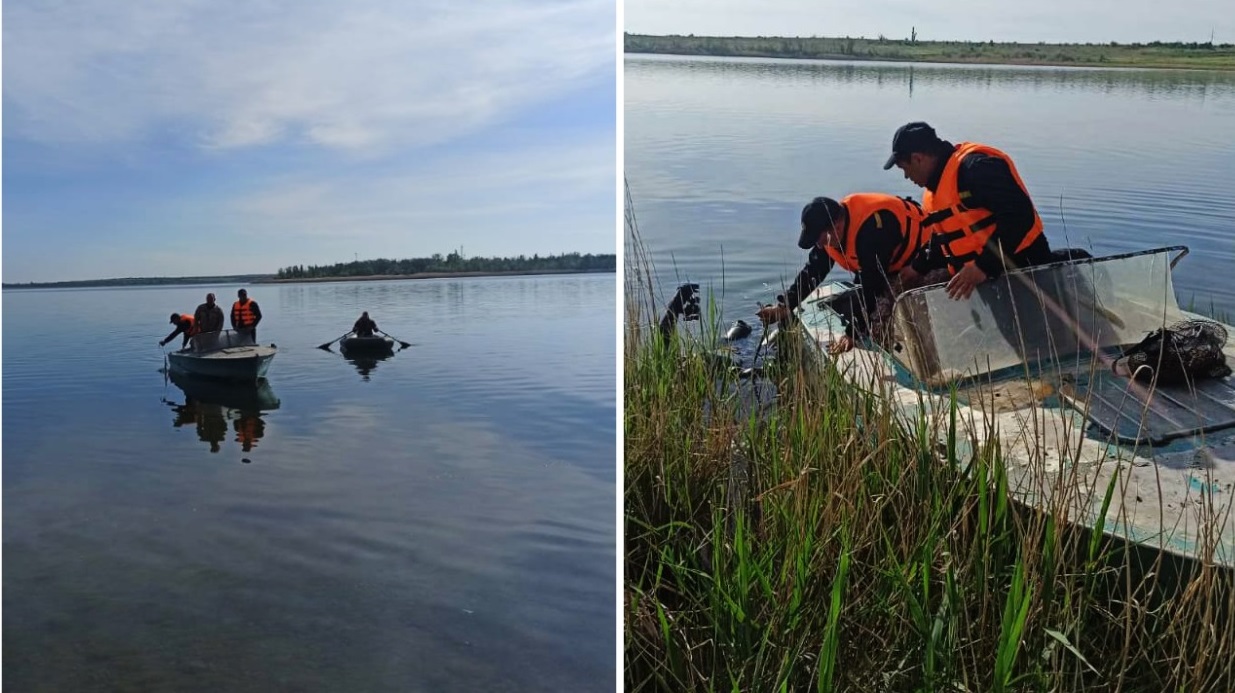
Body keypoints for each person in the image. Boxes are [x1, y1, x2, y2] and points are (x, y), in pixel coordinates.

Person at [883, 121, 1054, 301]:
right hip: (987, 283)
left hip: (1027, 274)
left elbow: (1019, 216)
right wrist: (918, 267)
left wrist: (983, 266)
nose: (906, 176)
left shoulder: (976, 168)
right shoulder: (936, 188)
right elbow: (949, 236)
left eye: (905, 168)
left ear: (918, 158)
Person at [756, 193, 929, 354]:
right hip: (889, 265)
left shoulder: (871, 230)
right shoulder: (829, 236)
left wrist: (852, 333)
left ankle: (907, 358)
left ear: (836, 226)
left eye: (819, 238)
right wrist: (785, 306)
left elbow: (871, 285)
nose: (819, 244)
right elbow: (813, 271)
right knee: (872, 305)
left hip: (927, 259)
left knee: (877, 318)